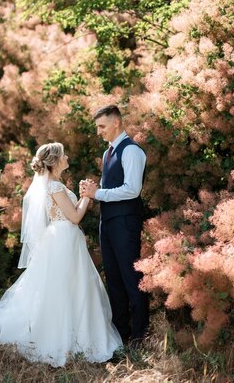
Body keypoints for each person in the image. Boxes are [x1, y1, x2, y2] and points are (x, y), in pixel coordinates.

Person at [0, 143, 122, 367]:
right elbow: (75, 217)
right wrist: (88, 197)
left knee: (69, 287)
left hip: (65, 239)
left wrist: (83, 195)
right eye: (64, 154)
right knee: (66, 288)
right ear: (55, 161)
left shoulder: (55, 185)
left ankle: (75, 337)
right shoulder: (55, 187)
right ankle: (66, 339)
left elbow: (72, 214)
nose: (67, 156)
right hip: (63, 239)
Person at [80, 105, 149, 347]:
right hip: (107, 223)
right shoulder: (107, 153)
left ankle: (140, 338)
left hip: (125, 223)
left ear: (116, 122)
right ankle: (120, 336)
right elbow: (106, 188)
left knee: (131, 278)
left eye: (102, 126)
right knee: (114, 280)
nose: (99, 131)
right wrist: (92, 191)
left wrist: (98, 193)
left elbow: (132, 190)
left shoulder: (131, 151)